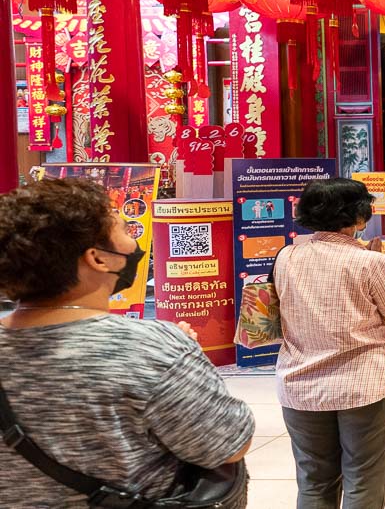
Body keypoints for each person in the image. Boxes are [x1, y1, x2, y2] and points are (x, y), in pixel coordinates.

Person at [0, 177, 254, 507]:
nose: (133, 243)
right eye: (123, 229)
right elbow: (228, 444)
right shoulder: (153, 349)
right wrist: (180, 358)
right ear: (98, 258)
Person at [276, 178, 385, 509]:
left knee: (313, 481)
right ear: (359, 217)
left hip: (299, 385)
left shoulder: (286, 257)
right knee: (364, 478)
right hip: (363, 386)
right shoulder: (371, 262)